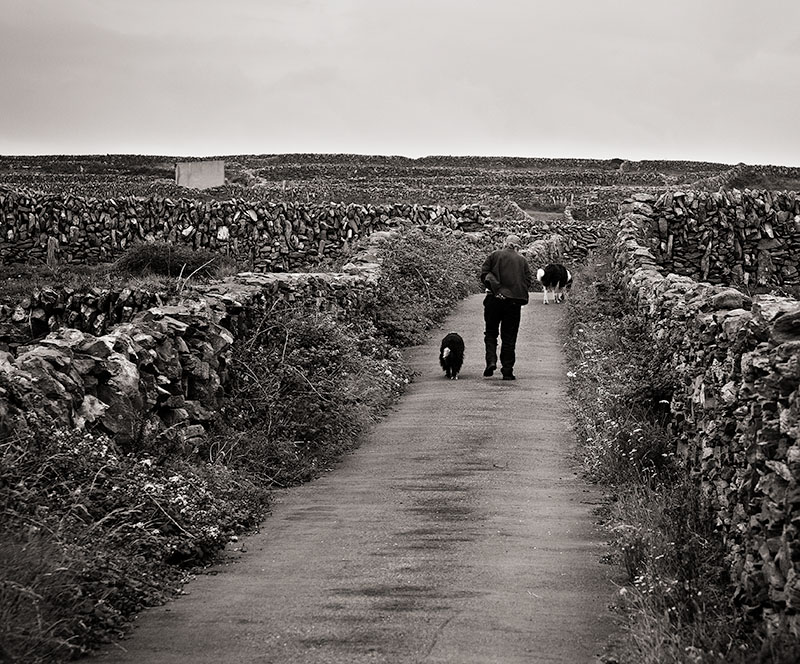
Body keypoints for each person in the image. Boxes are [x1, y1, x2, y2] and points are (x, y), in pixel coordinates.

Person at [480, 234, 532, 380]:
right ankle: (507, 370)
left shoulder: (494, 255)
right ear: (517, 247)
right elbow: (527, 281)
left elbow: (485, 274)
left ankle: (491, 361)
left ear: (504, 243)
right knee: (509, 337)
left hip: (493, 300)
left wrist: (497, 290)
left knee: (490, 333)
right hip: (513, 303)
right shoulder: (522, 260)